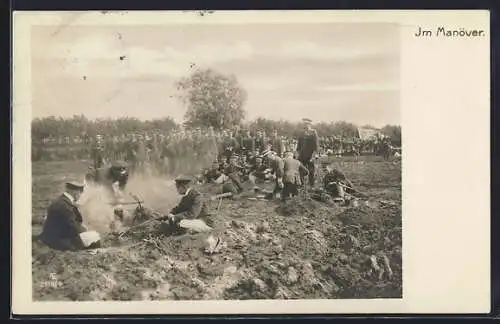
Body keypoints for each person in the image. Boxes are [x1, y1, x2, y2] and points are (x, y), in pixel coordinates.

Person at [39, 181, 101, 251]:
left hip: (54, 237)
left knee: (90, 235)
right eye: (81, 192)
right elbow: (72, 226)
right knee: (95, 236)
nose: (81, 195)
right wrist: (85, 231)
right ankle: (91, 255)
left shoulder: (62, 201)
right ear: (75, 192)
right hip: (58, 241)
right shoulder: (64, 205)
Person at [296, 119, 320, 186]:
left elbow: (316, 144)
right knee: (301, 169)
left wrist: (315, 155)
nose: (305, 125)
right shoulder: (301, 133)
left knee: (311, 170)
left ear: (310, 125)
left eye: (307, 124)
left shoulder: (313, 132)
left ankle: (311, 184)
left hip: (310, 154)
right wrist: (297, 153)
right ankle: (302, 183)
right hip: (302, 154)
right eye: (304, 124)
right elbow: (299, 144)